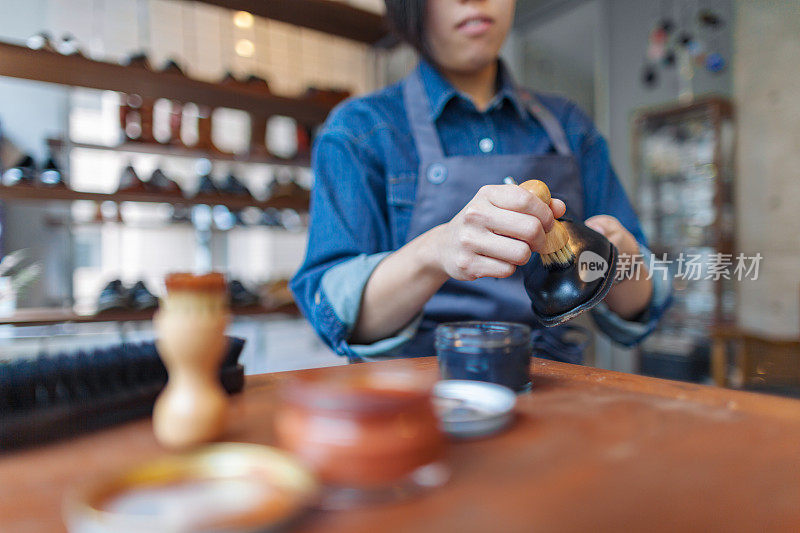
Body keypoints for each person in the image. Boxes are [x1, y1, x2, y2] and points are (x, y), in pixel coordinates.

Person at [291, 0, 670, 362]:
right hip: (412, 401)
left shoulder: (570, 125)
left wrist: (623, 263)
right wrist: (434, 251)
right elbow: (335, 314)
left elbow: (642, 308)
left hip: (558, 393)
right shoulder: (359, 132)